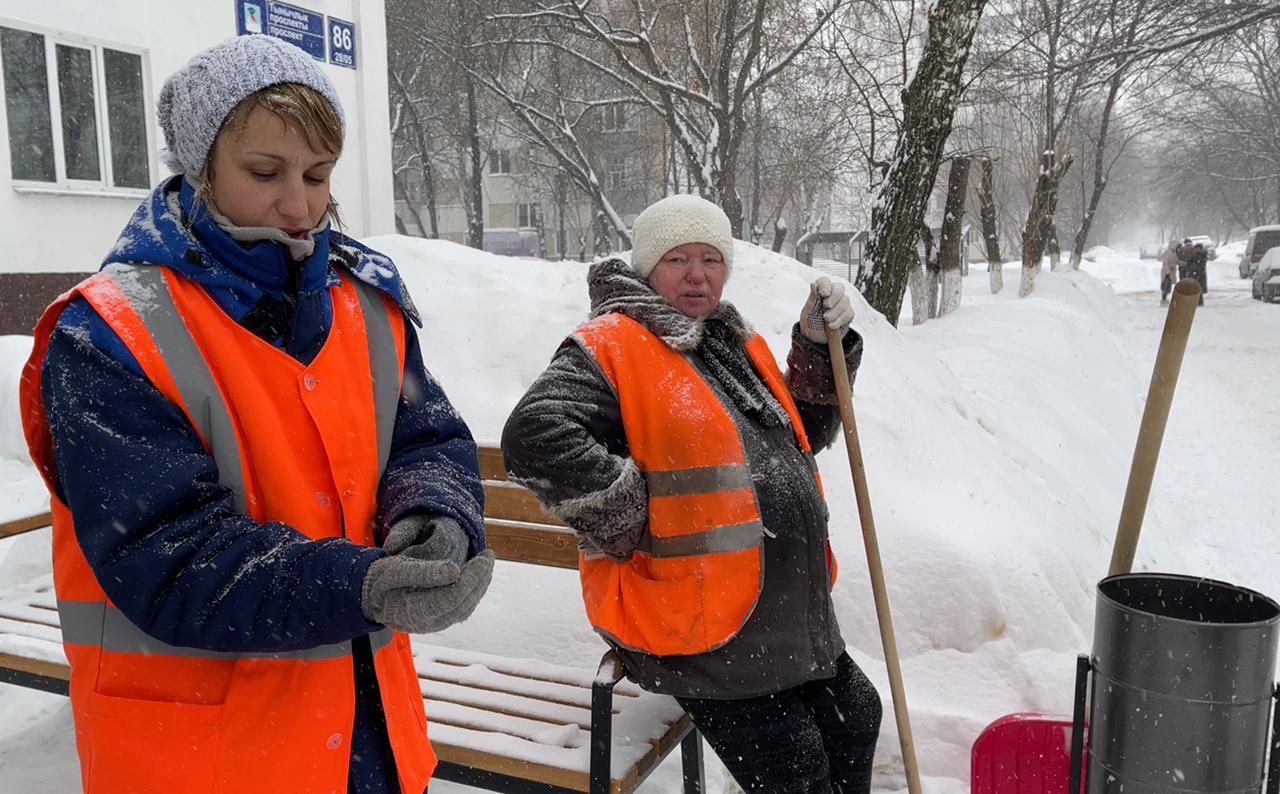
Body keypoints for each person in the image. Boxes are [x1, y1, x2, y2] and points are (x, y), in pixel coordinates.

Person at [19, 35, 493, 794]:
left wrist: (434, 514)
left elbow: (426, 438)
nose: (300, 205)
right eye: (264, 173)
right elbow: (167, 554)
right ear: (200, 168)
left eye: (318, 174)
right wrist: (357, 584)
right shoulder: (108, 334)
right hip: (204, 757)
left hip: (369, 738)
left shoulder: (364, 302)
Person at [501, 194, 883, 793]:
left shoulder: (727, 340)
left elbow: (807, 431)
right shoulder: (614, 341)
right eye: (679, 259)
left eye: (711, 258)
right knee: (798, 770)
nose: (698, 275)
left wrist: (813, 343)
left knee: (857, 717)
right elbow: (535, 435)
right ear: (649, 268)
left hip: (781, 613)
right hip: (698, 625)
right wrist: (630, 519)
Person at [1160, 238, 1180, 305]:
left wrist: (1184, 263)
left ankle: (1164, 298)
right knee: (1166, 286)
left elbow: (1177, 261)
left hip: (1171, 272)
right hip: (1167, 273)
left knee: (1168, 286)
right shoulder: (1168, 252)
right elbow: (1165, 263)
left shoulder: (1174, 253)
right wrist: (1167, 272)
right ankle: (1163, 299)